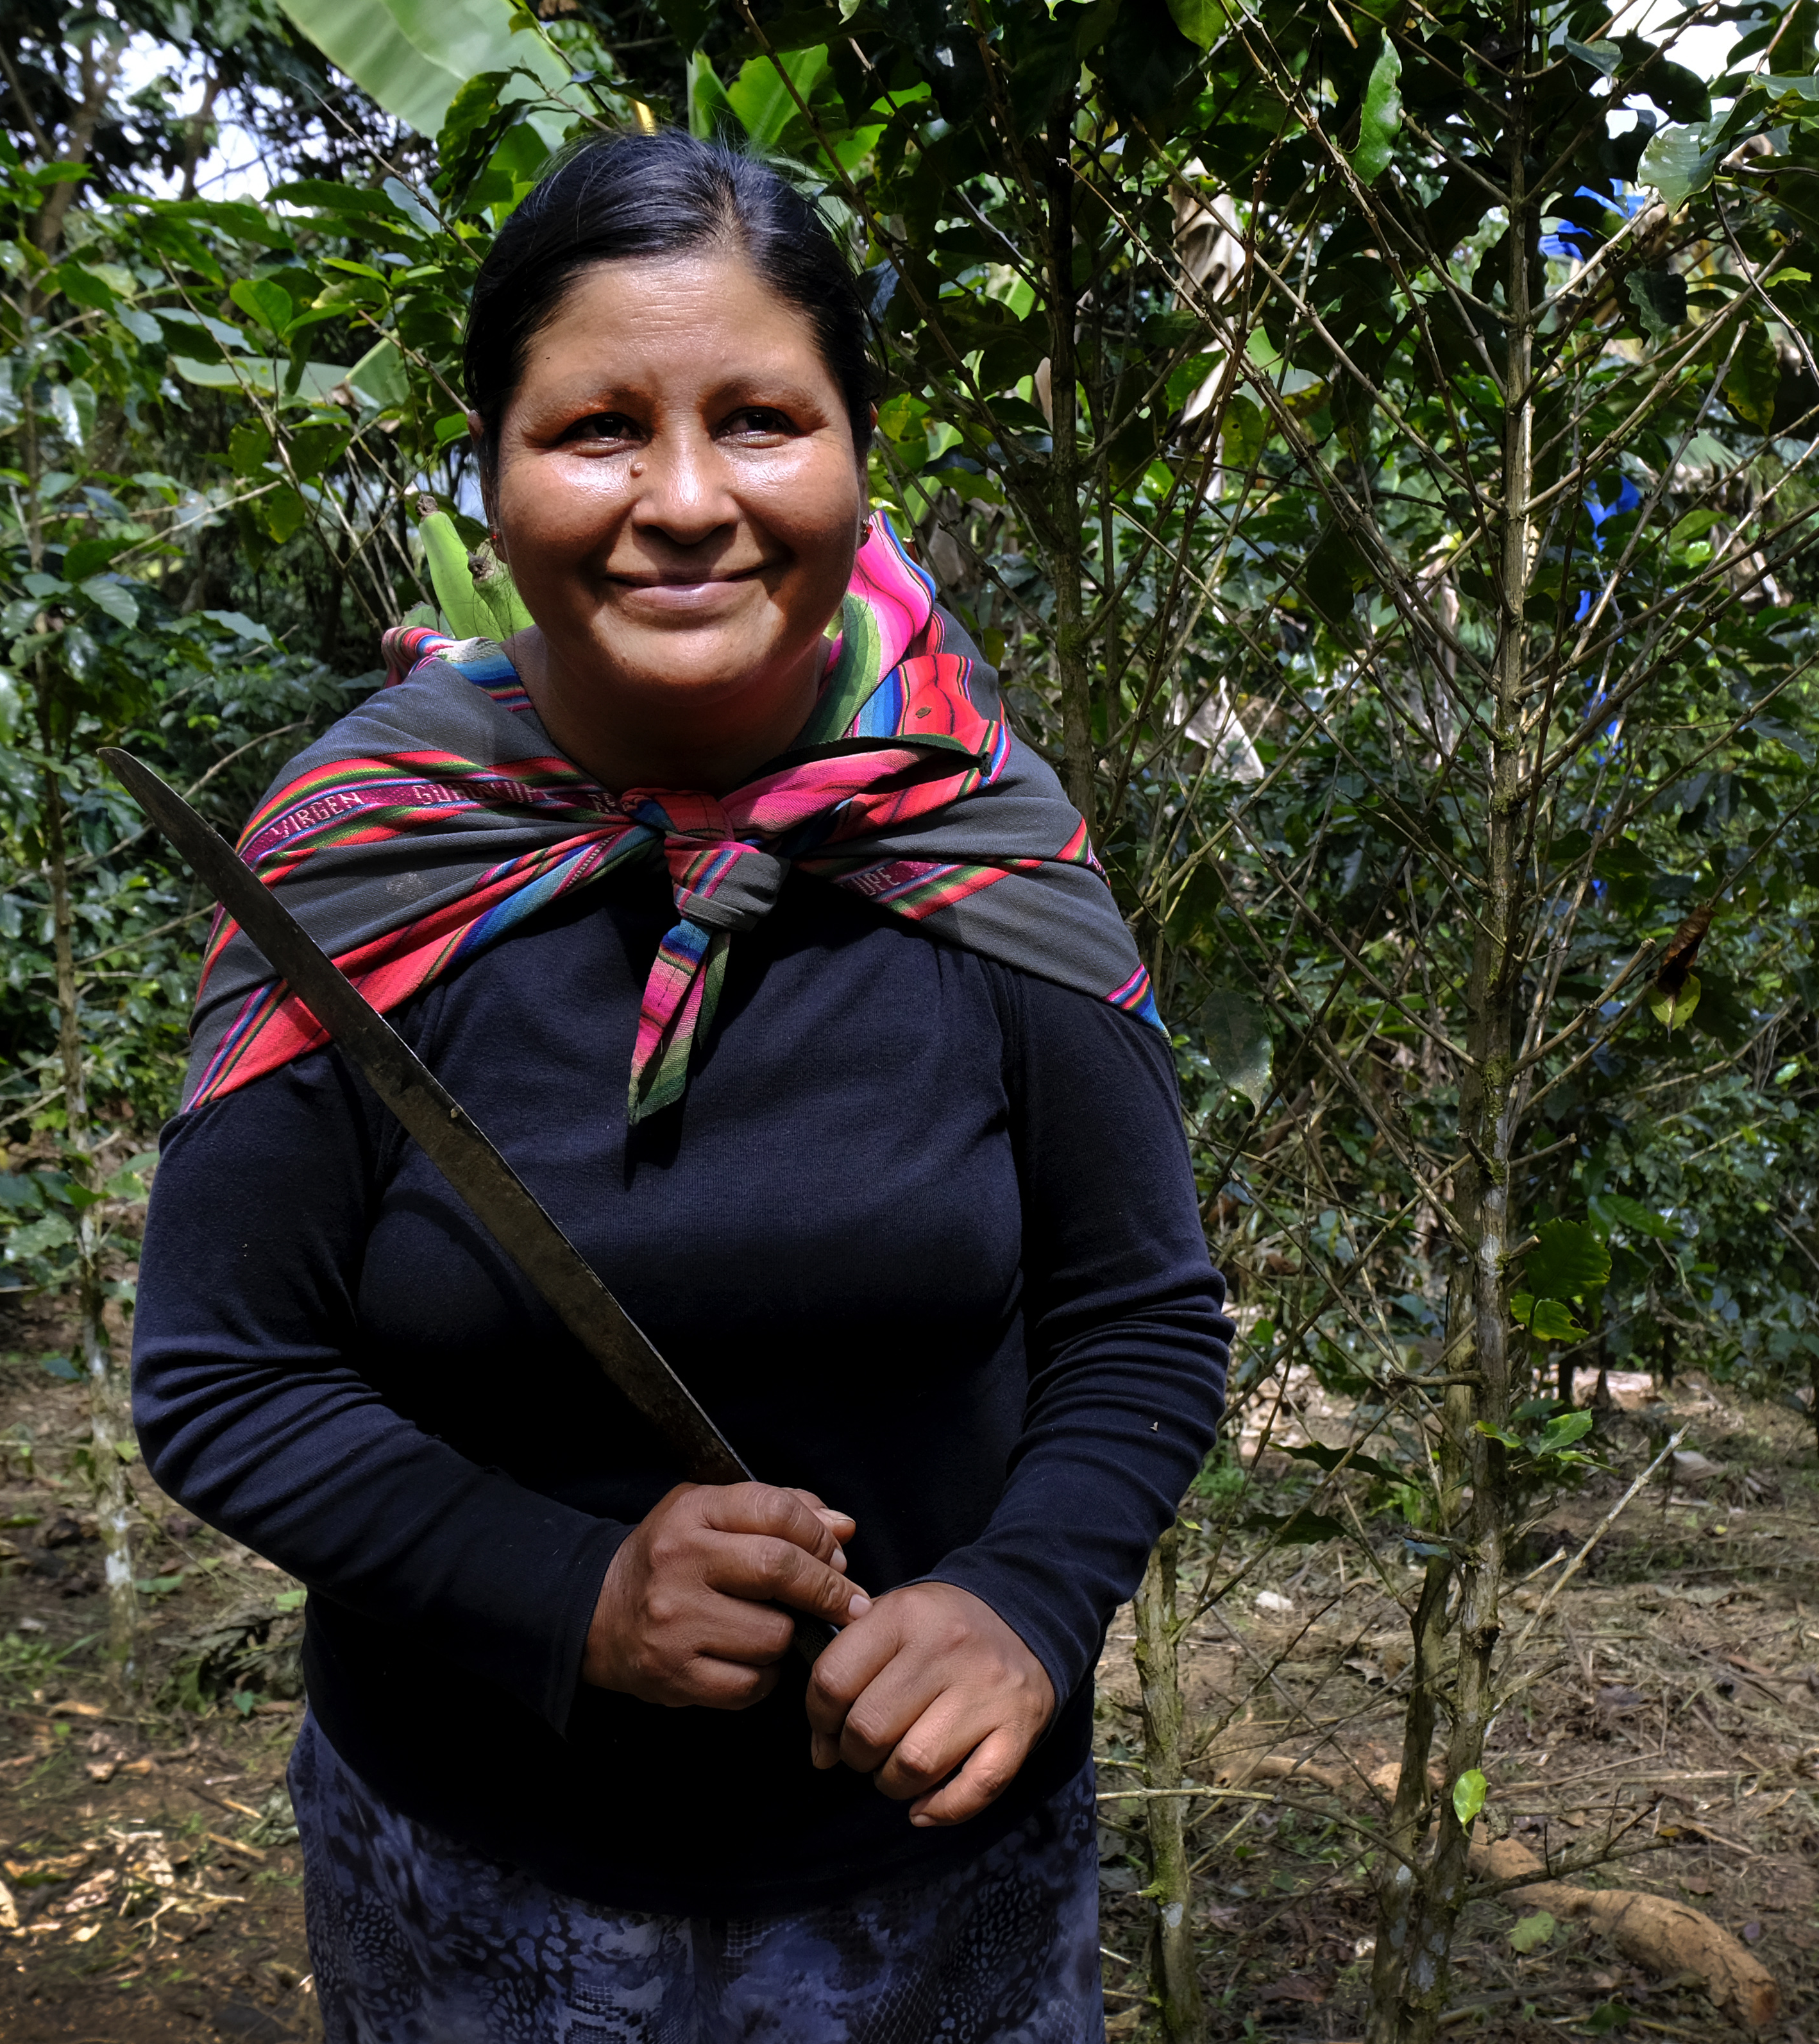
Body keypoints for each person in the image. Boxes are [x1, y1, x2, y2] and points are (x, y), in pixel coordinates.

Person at [131, 126, 1231, 2044]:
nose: (685, 499)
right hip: (478, 1901)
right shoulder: (361, 849)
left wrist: (1028, 1602)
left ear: (857, 453)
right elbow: (221, 1375)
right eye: (594, 430)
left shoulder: (983, 839)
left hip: (943, 1903)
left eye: (760, 419)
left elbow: (1138, 1312)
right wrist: (563, 1589)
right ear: (487, 470)